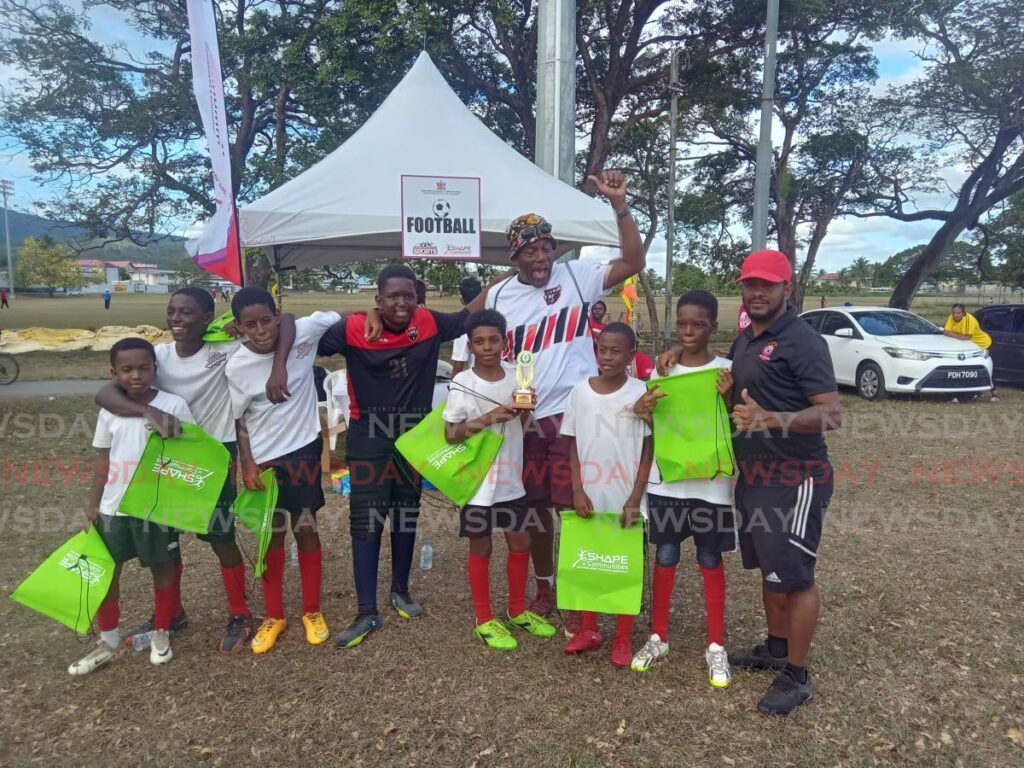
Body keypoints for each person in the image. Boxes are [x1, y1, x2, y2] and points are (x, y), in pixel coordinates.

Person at [660, 249, 842, 716]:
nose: (758, 292)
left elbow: (831, 414)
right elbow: (723, 389)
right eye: (750, 284)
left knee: (797, 577)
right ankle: (775, 649)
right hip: (754, 478)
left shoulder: (802, 341)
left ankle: (796, 676)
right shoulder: (745, 341)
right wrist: (678, 355)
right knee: (770, 569)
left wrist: (771, 419)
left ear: (787, 289)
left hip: (796, 478)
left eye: (768, 284)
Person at [94, 287, 297, 652]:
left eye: (187, 313)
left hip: (213, 456)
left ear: (208, 318)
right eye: (172, 311)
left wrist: (275, 360)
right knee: (167, 538)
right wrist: (148, 411)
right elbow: (105, 393)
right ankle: (172, 614)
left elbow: (288, 323)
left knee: (220, 535)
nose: (176, 319)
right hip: (165, 461)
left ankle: (239, 613)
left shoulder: (226, 349)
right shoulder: (156, 357)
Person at [485, 170, 645, 625]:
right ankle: (547, 587)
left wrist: (619, 205)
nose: (541, 258)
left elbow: (632, 262)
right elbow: (466, 329)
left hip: (581, 412)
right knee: (537, 507)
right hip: (530, 419)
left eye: (546, 248)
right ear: (515, 255)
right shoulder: (498, 294)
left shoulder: (577, 276)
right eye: (530, 251)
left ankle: (586, 584)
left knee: (584, 500)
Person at [317, 264, 490, 648]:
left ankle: (400, 590)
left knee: (405, 515)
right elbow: (306, 336)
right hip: (368, 438)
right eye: (392, 296)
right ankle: (366, 610)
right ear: (378, 299)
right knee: (366, 521)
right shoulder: (353, 328)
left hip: (413, 439)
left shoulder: (427, 322)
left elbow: (469, 315)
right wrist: (361, 316)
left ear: (417, 297)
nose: (401, 302)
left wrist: (503, 278)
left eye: (408, 295)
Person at [68, 338, 195, 675]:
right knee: (108, 573)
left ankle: (161, 634)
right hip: (113, 508)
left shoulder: (174, 404)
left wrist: (179, 504)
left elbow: (188, 459)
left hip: (155, 509)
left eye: (144, 367)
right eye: (127, 369)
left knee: (162, 568)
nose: (136, 375)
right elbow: (103, 459)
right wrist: (93, 503)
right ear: (114, 373)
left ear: (155, 369)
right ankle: (108, 640)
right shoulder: (109, 410)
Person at [629, 290, 735, 687]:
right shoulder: (662, 371)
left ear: (713, 326)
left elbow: (738, 424)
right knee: (667, 553)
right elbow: (652, 425)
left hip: (712, 484)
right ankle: (658, 637)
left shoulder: (727, 370)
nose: (689, 332)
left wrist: (730, 397)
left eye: (699, 324)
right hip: (667, 481)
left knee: (709, 557)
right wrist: (641, 411)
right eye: (683, 325)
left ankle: (715, 645)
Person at [225, 288, 340, 654]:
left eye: (266, 320)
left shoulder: (302, 331)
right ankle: (274, 616)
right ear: (238, 327)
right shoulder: (237, 366)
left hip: (304, 451)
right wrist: (247, 464)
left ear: (277, 315)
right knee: (272, 536)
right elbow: (239, 420)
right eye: (249, 324)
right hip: (265, 461)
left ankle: (311, 611)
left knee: (306, 528)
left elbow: (338, 316)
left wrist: (367, 315)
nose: (260, 330)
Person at [442, 309, 556, 649]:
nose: (487, 347)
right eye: (479, 341)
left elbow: (520, 428)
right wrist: (490, 417)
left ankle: (517, 608)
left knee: (520, 542)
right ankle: (485, 618)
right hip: (478, 482)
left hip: (511, 480)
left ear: (505, 343)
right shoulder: (463, 382)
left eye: (494, 340)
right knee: (483, 545)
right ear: (471, 345)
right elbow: (451, 434)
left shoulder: (516, 377)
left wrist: (524, 410)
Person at [559, 322, 652, 667]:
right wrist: (577, 489)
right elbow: (572, 443)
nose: (608, 357)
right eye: (603, 349)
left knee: (622, 563)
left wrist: (635, 497)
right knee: (587, 559)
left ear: (631, 355)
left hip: (626, 494)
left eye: (616, 351)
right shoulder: (580, 391)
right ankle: (589, 628)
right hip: (590, 493)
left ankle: (624, 638)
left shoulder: (641, 392)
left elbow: (648, 450)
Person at [943, 303, 997, 401]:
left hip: (982, 344)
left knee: (986, 368)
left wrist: (953, 334)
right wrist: (956, 336)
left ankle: (994, 393)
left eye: (958, 313)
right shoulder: (951, 318)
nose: (955, 315)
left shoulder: (969, 320)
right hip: (968, 347)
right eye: (954, 313)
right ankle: (973, 392)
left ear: (963, 313)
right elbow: (946, 332)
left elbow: (966, 337)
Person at [451, 276, 483, 376]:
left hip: (478, 382)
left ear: (462, 300)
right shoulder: (496, 318)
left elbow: (458, 367)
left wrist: (453, 390)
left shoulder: (462, 325)